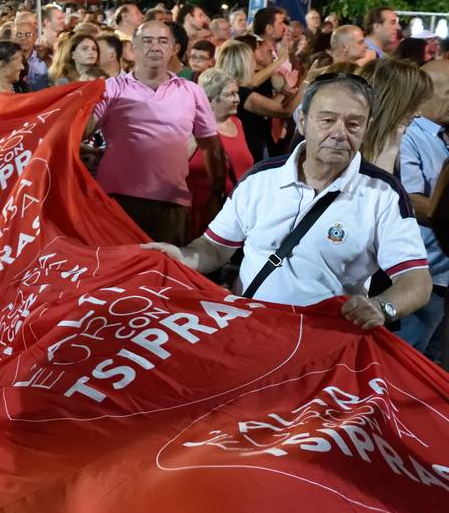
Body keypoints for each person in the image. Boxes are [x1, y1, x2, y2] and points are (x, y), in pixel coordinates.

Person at [143, 72, 431, 329]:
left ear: (366, 128)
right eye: (327, 120)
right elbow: (215, 248)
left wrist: (382, 307)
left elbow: (416, 280)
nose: (339, 134)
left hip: (323, 347)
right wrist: (182, 257)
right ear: (303, 122)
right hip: (248, 330)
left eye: (353, 124)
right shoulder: (260, 179)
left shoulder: (382, 193)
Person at [86, 21, 224, 245]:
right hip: (118, 201)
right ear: (134, 47)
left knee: (163, 275)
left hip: (171, 204)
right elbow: (83, 129)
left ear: (173, 48)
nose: (155, 47)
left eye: (162, 41)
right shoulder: (111, 88)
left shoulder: (192, 91)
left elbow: (211, 145)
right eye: (147, 41)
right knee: (118, 274)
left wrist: (216, 191)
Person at [397, 58, 449, 357]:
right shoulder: (409, 137)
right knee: (408, 359)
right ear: (428, 94)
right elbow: (410, 198)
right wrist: (444, 216)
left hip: (443, 275)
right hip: (422, 273)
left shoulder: (444, 133)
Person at [185, 67, 254, 238]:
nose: (237, 99)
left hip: (234, 216)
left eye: (236, 93)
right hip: (200, 216)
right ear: (209, 100)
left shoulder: (237, 123)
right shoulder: (191, 129)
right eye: (230, 94)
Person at [358, 55, 431, 175]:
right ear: (392, 103)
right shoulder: (347, 148)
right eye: (413, 105)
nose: (418, 113)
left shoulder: (392, 141)